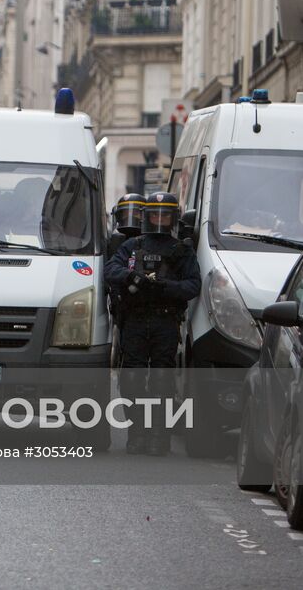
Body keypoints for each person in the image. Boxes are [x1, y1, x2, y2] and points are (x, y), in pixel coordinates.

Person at [103, 192, 200, 456]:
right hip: (134, 319)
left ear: (172, 218)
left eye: (164, 215)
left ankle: (159, 436)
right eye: (154, 214)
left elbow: (193, 285)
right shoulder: (132, 245)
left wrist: (164, 287)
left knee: (162, 381)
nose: (159, 219)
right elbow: (110, 270)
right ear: (146, 217)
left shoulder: (181, 249)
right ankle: (137, 434)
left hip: (165, 320)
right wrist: (133, 277)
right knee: (132, 379)